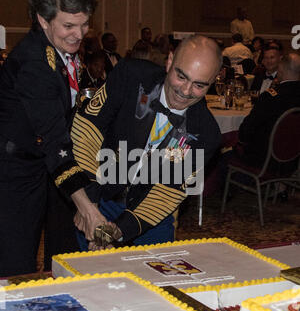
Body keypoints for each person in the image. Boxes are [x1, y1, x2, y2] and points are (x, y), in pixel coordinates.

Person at [0, 0, 107, 276]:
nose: (79, 34)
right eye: (69, 26)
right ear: (43, 20)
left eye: (85, 24)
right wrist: (87, 209)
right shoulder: (35, 64)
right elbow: (54, 142)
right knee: (16, 266)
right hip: (13, 174)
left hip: (43, 167)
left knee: (63, 254)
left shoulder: (57, 50)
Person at [71, 35, 223, 251]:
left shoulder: (207, 135)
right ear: (170, 61)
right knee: (84, 275)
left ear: (213, 81)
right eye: (181, 76)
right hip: (101, 195)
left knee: (154, 278)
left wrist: (115, 232)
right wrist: (89, 202)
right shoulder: (130, 76)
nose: (186, 91)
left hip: (151, 216)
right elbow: (87, 129)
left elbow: (168, 193)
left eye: (199, 85)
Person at [238, 53, 300, 167]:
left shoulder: (270, 97)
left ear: (281, 68)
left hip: (265, 160)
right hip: (294, 160)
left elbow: (245, 132)